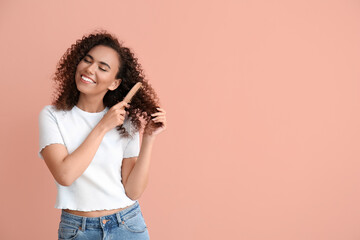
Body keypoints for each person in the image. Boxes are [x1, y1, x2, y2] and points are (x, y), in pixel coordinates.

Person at [38, 30, 167, 240]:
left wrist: (149, 138)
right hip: (77, 230)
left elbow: (133, 191)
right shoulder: (52, 116)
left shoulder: (125, 120)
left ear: (114, 83)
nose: (89, 69)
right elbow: (65, 175)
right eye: (87, 60)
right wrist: (102, 126)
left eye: (102, 67)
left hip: (127, 225)